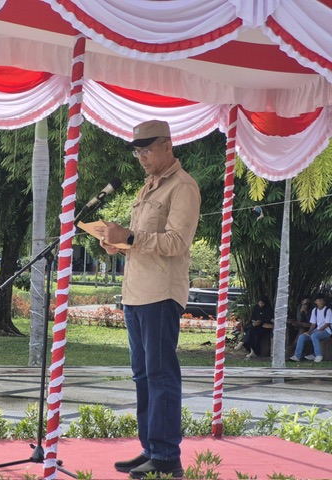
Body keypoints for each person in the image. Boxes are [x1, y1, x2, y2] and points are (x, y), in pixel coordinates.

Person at [94, 119, 200, 479]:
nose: (141, 157)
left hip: (160, 294)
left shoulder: (182, 188)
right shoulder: (147, 188)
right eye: (138, 151)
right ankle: (151, 449)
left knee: (160, 375)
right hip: (136, 294)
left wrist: (133, 238)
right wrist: (117, 242)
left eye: (147, 149)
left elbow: (175, 243)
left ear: (168, 145)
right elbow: (141, 243)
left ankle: (168, 455)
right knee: (143, 376)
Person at [290, 293, 332, 363]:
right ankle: (297, 356)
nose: (321, 301)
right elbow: (313, 323)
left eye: (322, 300)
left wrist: (318, 331)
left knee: (314, 335)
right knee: (302, 336)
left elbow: (327, 324)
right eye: (319, 300)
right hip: (318, 329)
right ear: (315, 302)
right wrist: (309, 331)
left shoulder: (328, 310)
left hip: (327, 331)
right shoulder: (314, 310)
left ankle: (318, 355)